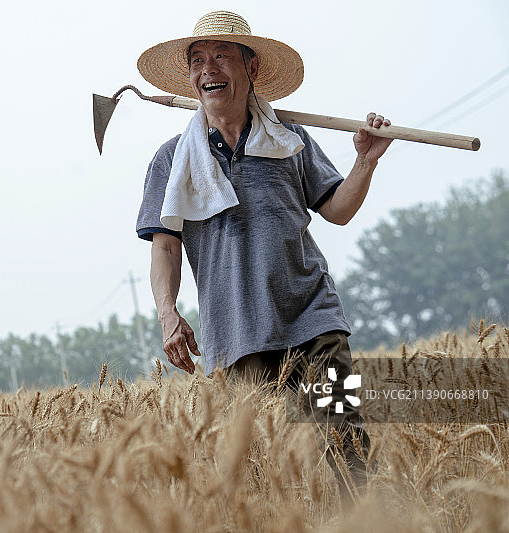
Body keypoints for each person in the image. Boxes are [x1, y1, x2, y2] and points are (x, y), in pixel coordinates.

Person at [135, 10, 392, 500]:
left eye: (222, 56)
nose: (208, 68)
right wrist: (168, 314)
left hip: (312, 320)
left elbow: (337, 210)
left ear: (250, 68)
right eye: (198, 60)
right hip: (234, 335)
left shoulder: (290, 140)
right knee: (257, 471)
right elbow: (164, 244)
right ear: (190, 78)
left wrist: (365, 161)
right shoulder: (172, 159)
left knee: (346, 444)